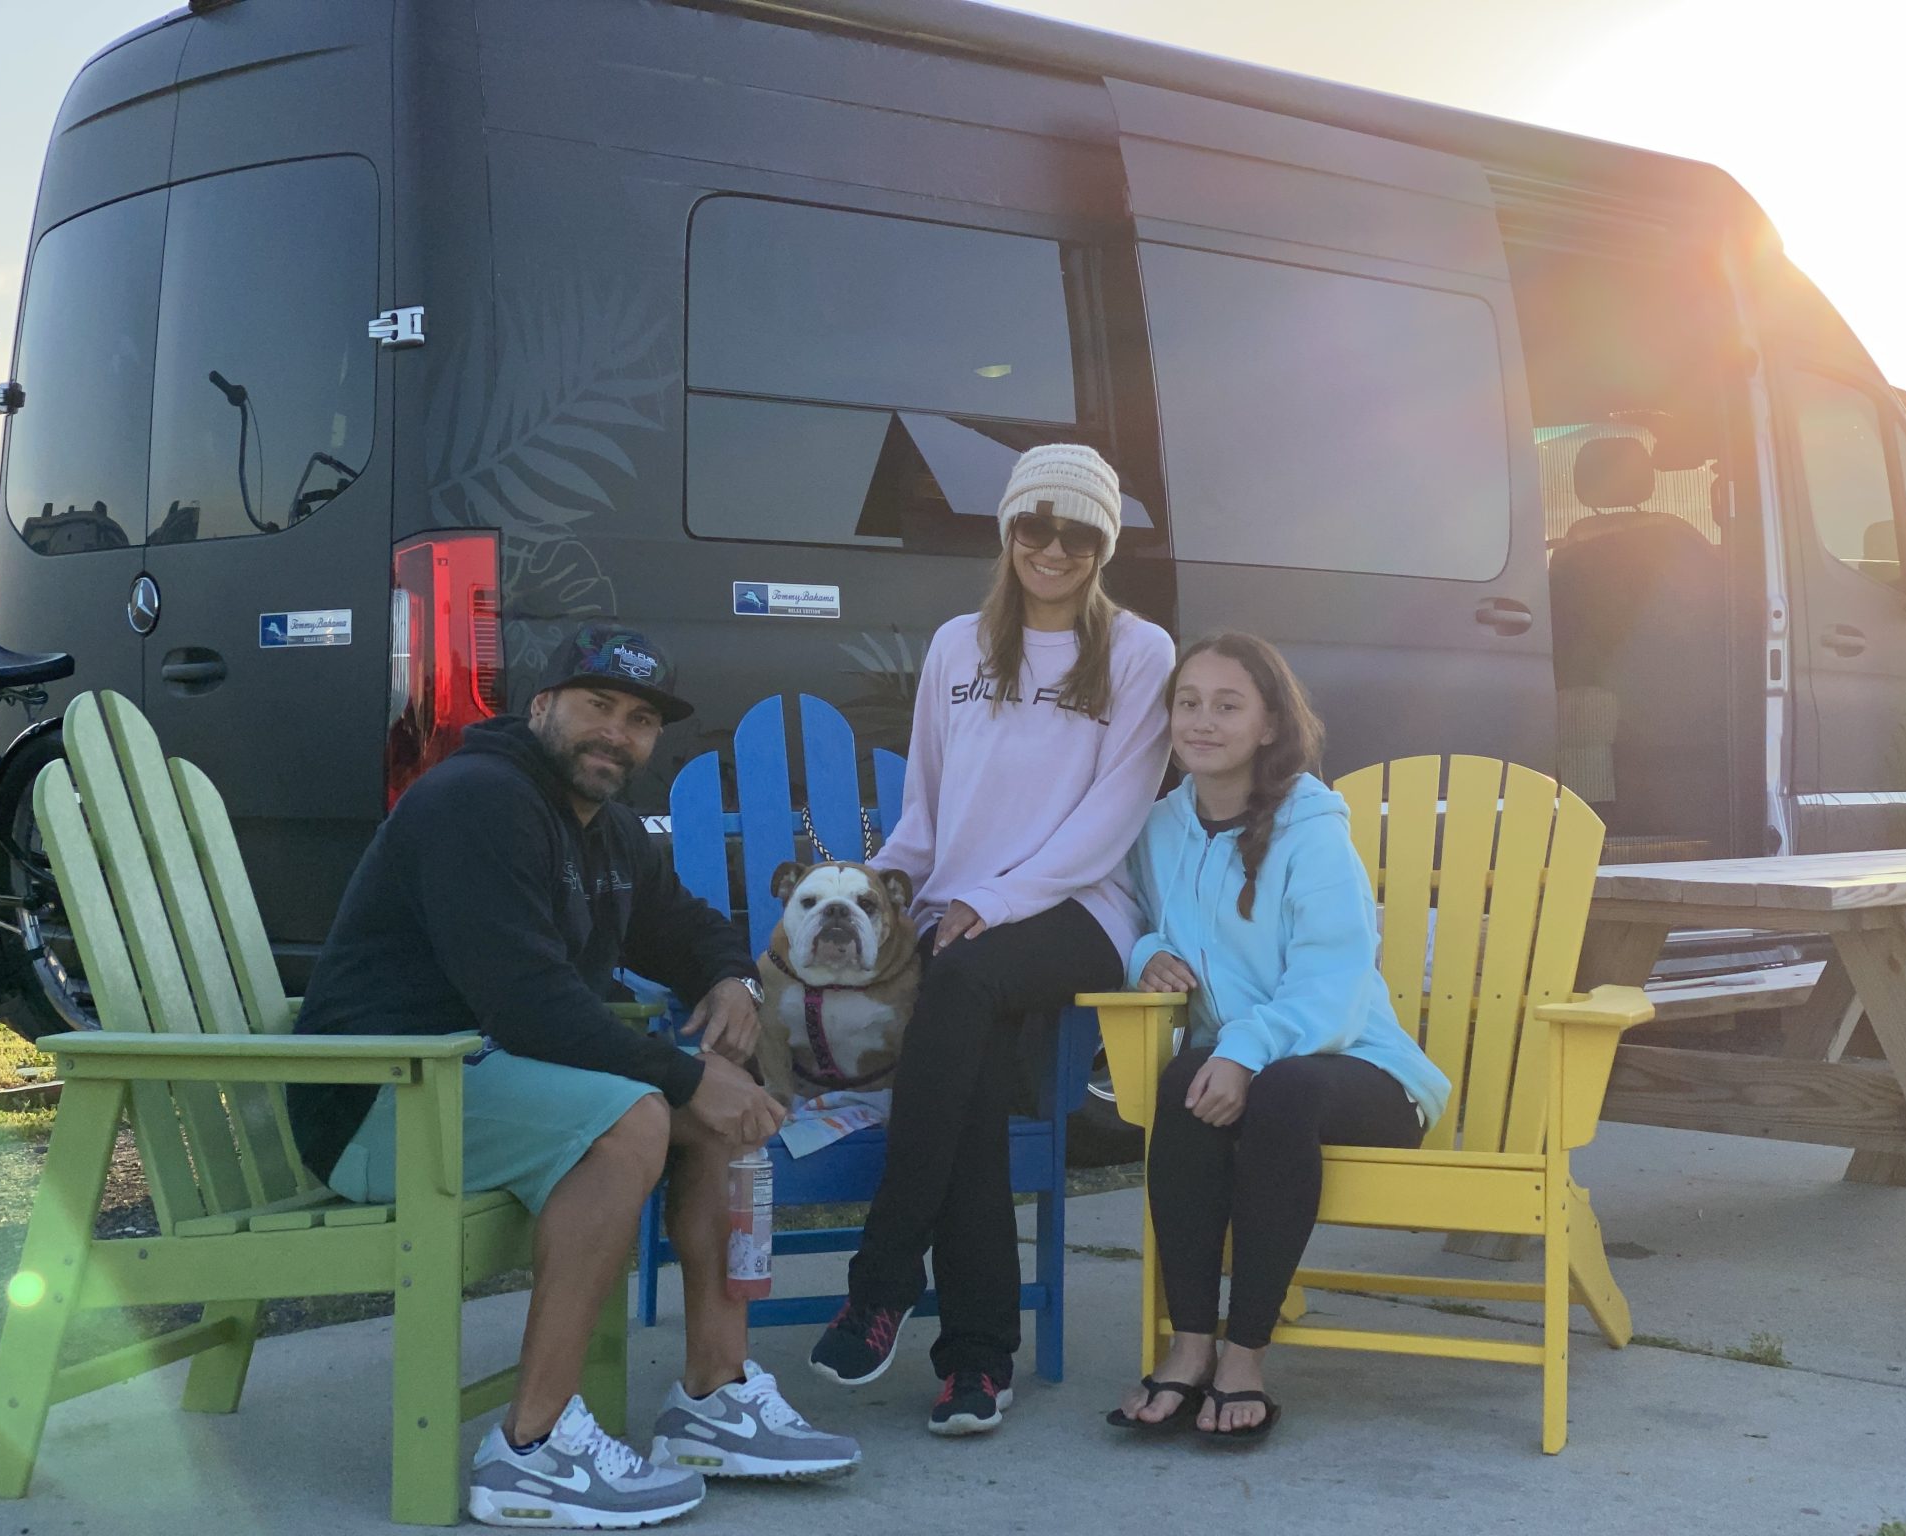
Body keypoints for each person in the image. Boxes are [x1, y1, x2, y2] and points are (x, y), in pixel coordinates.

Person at [287, 624, 859, 1529]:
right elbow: (528, 1003)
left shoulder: (608, 832)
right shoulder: (479, 801)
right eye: (598, 706)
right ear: (542, 706)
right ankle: (533, 1448)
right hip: (383, 1098)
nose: (617, 733)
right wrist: (683, 1078)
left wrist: (734, 983)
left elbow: (688, 927)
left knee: (719, 1109)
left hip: (480, 1081)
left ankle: (714, 1394)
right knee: (636, 1117)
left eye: (640, 720)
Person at [807, 443, 1175, 1435]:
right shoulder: (955, 647)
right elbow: (926, 810)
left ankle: (881, 1280)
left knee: (959, 985)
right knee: (963, 1079)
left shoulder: (1138, 651)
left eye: (1078, 534)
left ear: (1103, 547)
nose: (1053, 549)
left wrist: (998, 902)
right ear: (1008, 530)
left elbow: (1111, 817)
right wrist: (886, 895)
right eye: (1034, 526)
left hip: (1078, 910)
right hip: (965, 919)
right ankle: (977, 1363)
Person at [1108, 632, 1450, 1443]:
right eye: (1188, 703)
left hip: (1363, 1073)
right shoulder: (1158, 829)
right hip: (1244, 1074)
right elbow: (1121, 909)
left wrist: (1244, 1049)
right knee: (1181, 1079)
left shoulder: (1312, 828)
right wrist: (1144, 952)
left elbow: (1334, 980)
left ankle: (1245, 1357)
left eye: (1227, 706)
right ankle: (1190, 1345)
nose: (1203, 721)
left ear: (1268, 725)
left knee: (1281, 1087)